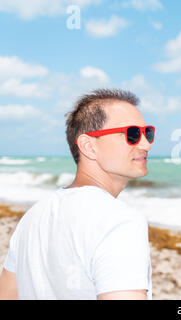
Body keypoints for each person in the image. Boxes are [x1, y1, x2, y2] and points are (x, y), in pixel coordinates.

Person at [0, 88, 154, 300]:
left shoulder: (33, 217)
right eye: (132, 134)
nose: (146, 144)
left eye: (148, 133)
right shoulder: (119, 220)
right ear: (88, 146)